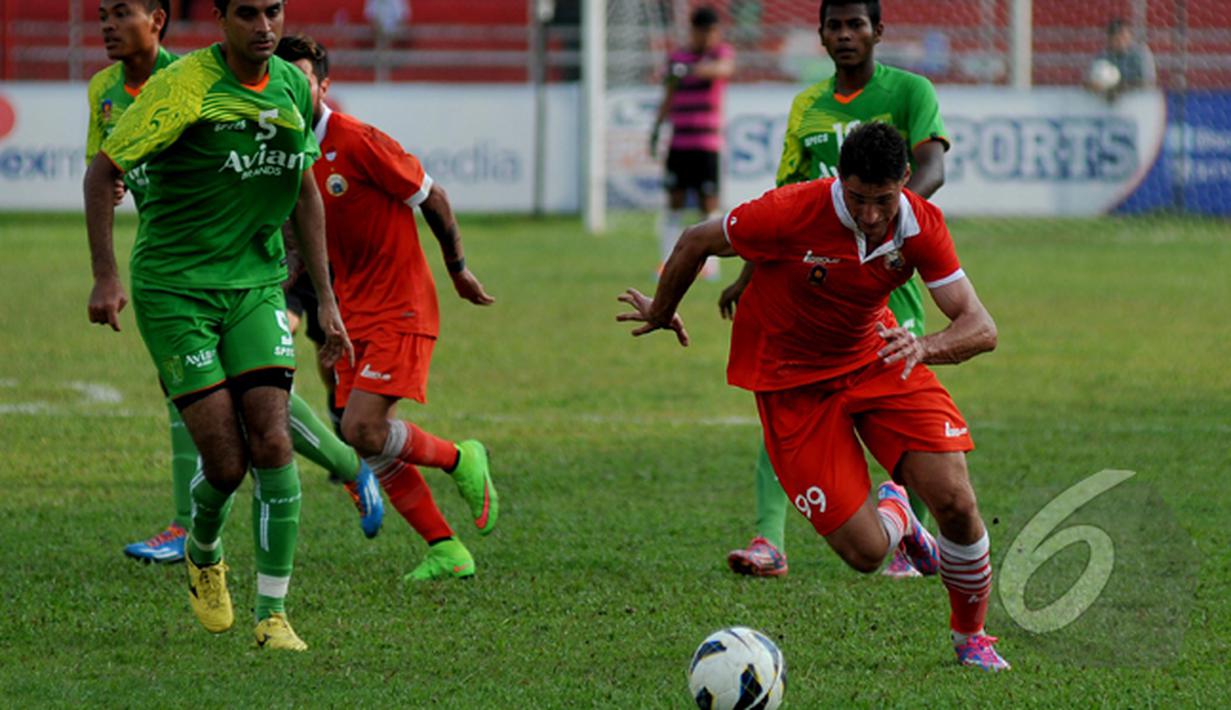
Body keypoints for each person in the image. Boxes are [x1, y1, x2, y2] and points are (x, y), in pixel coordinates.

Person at [618, 122, 1008, 671]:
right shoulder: (790, 211)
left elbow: (980, 326)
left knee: (958, 502)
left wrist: (925, 345)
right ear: (839, 183)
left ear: (904, 182)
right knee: (867, 554)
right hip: (792, 384)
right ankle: (896, 513)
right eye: (858, 199)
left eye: (884, 200)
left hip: (879, 356)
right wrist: (661, 311)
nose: (872, 215)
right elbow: (696, 240)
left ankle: (972, 636)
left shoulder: (921, 224)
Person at [85, 0, 348, 651]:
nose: (265, 27)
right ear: (220, 22)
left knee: (273, 440)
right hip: (176, 290)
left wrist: (326, 299)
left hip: (255, 287)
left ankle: (274, 615)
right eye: (247, 14)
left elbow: (307, 191)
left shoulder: (288, 82)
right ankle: (204, 551)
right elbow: (102, 172)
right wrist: (105, 277)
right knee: (226, 465)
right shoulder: (183, 89)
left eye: (274, 12)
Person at [722, 0, 948, 580]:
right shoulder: (808, 106)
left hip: (885, 279)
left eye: (856, 25)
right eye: (835, 26)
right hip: (815, 279)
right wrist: (749, 275)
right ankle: (769, 538)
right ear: (820, 35)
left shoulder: (910, 92)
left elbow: (932, 169)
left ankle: (904, 535)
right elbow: (783, 204)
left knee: (899, 408)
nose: (846, 35)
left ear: (878, 31)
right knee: (788, 396)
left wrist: (892, 229)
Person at [276, 35, 500, 582]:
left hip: (401, 305)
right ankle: (446, 548)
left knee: (362, 428)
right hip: (350, 314)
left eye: (303, 78)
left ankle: (459, 457)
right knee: (364, 437)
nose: (293, 88)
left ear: (323, 85)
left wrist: (458, 269)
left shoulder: (359, 141)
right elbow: (299, 238)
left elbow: (433, 196)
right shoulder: (286, 150)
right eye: (284, 79)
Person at [649, 6, 735, 281]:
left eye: (713, 32)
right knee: (673, 203)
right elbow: (668, 92)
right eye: (704, 32)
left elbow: (723, 69)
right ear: (694, 31)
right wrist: (655, 128)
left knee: (708, 204)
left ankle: (710, 267)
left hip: (707, 145)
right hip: (679, 143)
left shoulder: (719, 54)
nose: (708, 37)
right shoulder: (677, 57)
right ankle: (666, 262)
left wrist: (687, 69)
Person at [1087, 18, 1157, 98]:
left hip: (1137, 101)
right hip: (1106, 103)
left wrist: (1117, 88)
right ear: (1109, 40)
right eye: (1116, 39)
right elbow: (1089, 82)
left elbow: (1148, 82)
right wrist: (1094, 84)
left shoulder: (1141, 54)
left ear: (1130, 36)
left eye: (1123, 37)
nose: (1120, 41)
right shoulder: (1103, 56)